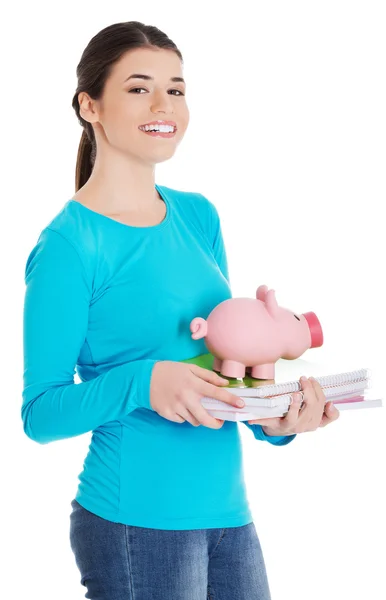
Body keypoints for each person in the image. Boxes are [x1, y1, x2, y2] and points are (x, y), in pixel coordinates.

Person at [21, 20, 340, 600]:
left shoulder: (199, 217)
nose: (164, 103)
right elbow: (39, 413)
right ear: (90, 106)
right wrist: (144, 382)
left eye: (177, 87)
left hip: (229, 517)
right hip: (133, 523)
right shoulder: (69, 246)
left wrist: (275, 421)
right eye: (139, 87)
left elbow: (225, 368)